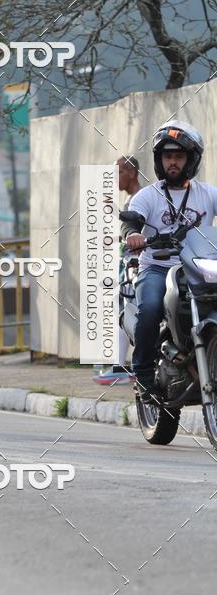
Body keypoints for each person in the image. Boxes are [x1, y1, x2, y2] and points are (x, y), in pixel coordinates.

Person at [121, 120, 217, 401]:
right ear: (159, 160)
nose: (172, 162)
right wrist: (133, 235)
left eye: (178, 156)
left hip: (198, 267)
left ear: (191, 159)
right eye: (167, 156)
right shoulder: (147, 196)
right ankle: (143, 375)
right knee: (150, 308)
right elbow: (131, 222)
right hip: (158, 268)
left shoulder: (208, 193)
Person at [94, 155, 142, 385]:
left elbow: (140, 230)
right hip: (129, 264)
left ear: (131, 172)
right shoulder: (133, 198)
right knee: (122, 310)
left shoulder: (140, 198)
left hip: (137, 267)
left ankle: (121, 366)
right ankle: (120, 364)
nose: (115, 178)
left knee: (124, 312)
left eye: (118, 172)